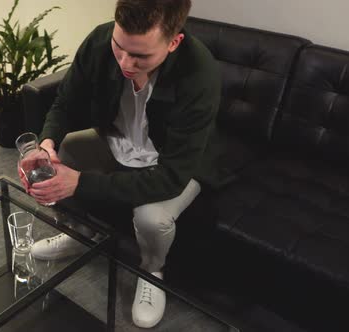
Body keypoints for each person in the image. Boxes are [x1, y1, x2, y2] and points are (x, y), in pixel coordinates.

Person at [19, 0, 221, 328]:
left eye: (141, 56)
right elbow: (65, 103)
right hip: (118, 141)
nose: (126, 62)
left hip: (176, 162)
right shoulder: (100, 41)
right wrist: (46, 144)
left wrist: (79, 183)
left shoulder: (200, 73)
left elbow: (170, 178)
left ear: (173, 42)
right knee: (67, 148)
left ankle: (151, 270)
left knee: (152, 218)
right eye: (120, 47)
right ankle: (80, 231)